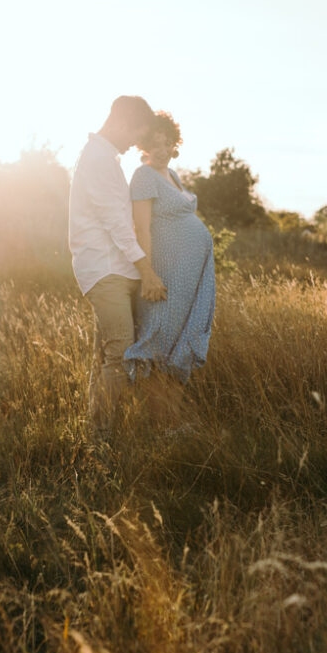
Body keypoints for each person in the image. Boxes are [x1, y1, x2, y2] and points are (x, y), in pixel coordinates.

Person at [68, 96, 167, 433]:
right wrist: (147, 271)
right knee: (121, 355)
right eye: (137, 133)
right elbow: (117, 224)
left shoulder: (106, 158)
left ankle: (94, 433)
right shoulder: (98, 159)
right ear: (124, 122)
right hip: (105, 269)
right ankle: (100, 440)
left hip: (117, 268)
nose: (135, 143)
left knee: (108, 356)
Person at [123, 112, 215, 427]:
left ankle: (170, 423)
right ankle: (157, 425)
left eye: (168, 143)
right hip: (165, 277)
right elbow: (142, 229)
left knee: (178, 346)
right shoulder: (143, 175)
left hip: (188, 280)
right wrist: (148, 274)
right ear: (144, 146)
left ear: (175, 144)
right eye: (155, 143)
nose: (162, 149)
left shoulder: (172, 175)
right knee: (160, 343)